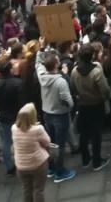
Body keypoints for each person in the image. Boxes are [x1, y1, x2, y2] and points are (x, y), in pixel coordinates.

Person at [35, 48, 76, 182]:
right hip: (60, 115)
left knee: (51, 143)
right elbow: (68, 100)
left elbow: (37, 63)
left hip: (47, 113)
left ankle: (51, 168)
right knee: (60, 145)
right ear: (56, 65)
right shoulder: (60, 81)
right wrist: (71, 106)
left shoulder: (42, 75)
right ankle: (60, 172)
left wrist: (40, 50)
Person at [70, 43, 111, 172]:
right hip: (96, 105)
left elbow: (72, 88)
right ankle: (97, 162)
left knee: (84, 133)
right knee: (96, 134)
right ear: (92, 55)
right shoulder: (96, 72)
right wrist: (107, 97)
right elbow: (105, 90)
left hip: (83, 105)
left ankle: (85, 159)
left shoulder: (74, 71)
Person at [0, 59, 24, 177]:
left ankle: (9, 166)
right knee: (22, 140)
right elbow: (22, 101)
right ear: (9, 70)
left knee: (6, 142)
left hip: (4, 116)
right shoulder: (18, 83)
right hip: (18, 116)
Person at [11, 103, 51, 202]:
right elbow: (47, 141)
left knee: (27, 190)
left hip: (21, 166)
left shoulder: (14, 128)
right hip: (38, 164)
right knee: (39, 190)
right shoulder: (37, 129)